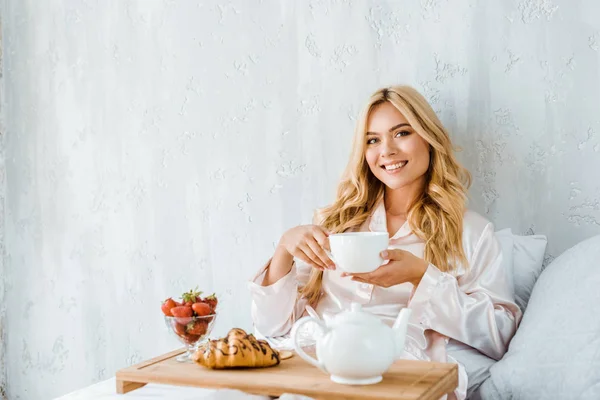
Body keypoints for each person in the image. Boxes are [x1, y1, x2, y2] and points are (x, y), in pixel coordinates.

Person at [248, 85, 522, 400]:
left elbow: (500, 335)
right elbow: (271, 326)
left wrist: (422, 276)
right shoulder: (335, 224)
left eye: (401, 133)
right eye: (373, 140)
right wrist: (284, 250)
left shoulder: (470, 232)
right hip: (316, 362)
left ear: (428, 138)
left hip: (393, 371)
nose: (386, 151)